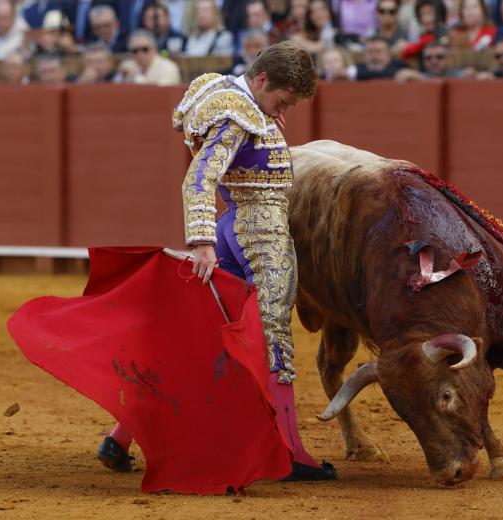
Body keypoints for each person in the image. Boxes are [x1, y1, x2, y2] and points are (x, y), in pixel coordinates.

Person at [98, 41, 337, 483]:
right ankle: (290, 453)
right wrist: (201, 242)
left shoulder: (227, 92)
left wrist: (265, 115)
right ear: (262, 79)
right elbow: (199, 179)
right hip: (258, 233)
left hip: (233, 224)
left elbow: (236, 133)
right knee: (273, 336)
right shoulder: (237, 115)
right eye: (282, 99)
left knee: (205, 339)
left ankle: (121, 436)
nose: (284, 109)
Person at [115, 29, 181, 85]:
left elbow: (159, 94)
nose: (140, 54)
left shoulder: (168, 67)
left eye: (145, 49)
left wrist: (135, 76)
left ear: (155, 49)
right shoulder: (130, 67)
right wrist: (121, 75)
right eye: (135, 51)